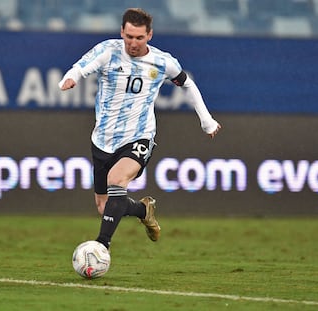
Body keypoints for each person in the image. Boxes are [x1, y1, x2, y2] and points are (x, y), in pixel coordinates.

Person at [59, 8, 221, 250]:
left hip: (139, 135)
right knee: (105, 206)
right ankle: (143, 209)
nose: (133, 43)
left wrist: (206, 120)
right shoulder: (108, 52)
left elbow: (187, 84)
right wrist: (69, 79)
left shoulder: (163, 62)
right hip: (103, 139)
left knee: (117, 180)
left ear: (150, 36)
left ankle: (101, 247)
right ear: (121, 32)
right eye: (129, 37)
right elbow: (81, 67)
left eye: (139, 38)